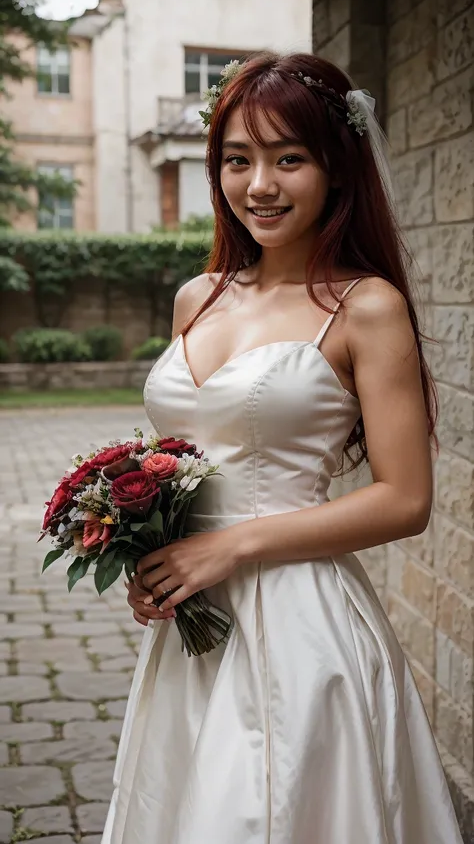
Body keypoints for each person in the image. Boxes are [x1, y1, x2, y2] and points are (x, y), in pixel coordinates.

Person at [102, 53, 463, 844]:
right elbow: (180, 462)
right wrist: (157, 558)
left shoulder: (367, 307)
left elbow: (406, 498)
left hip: (303, 625)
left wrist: (232, 547)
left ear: (336, 168)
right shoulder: (197, 297)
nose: (259, 184)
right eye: (238, 159)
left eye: (287, 158)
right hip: (196, 623)